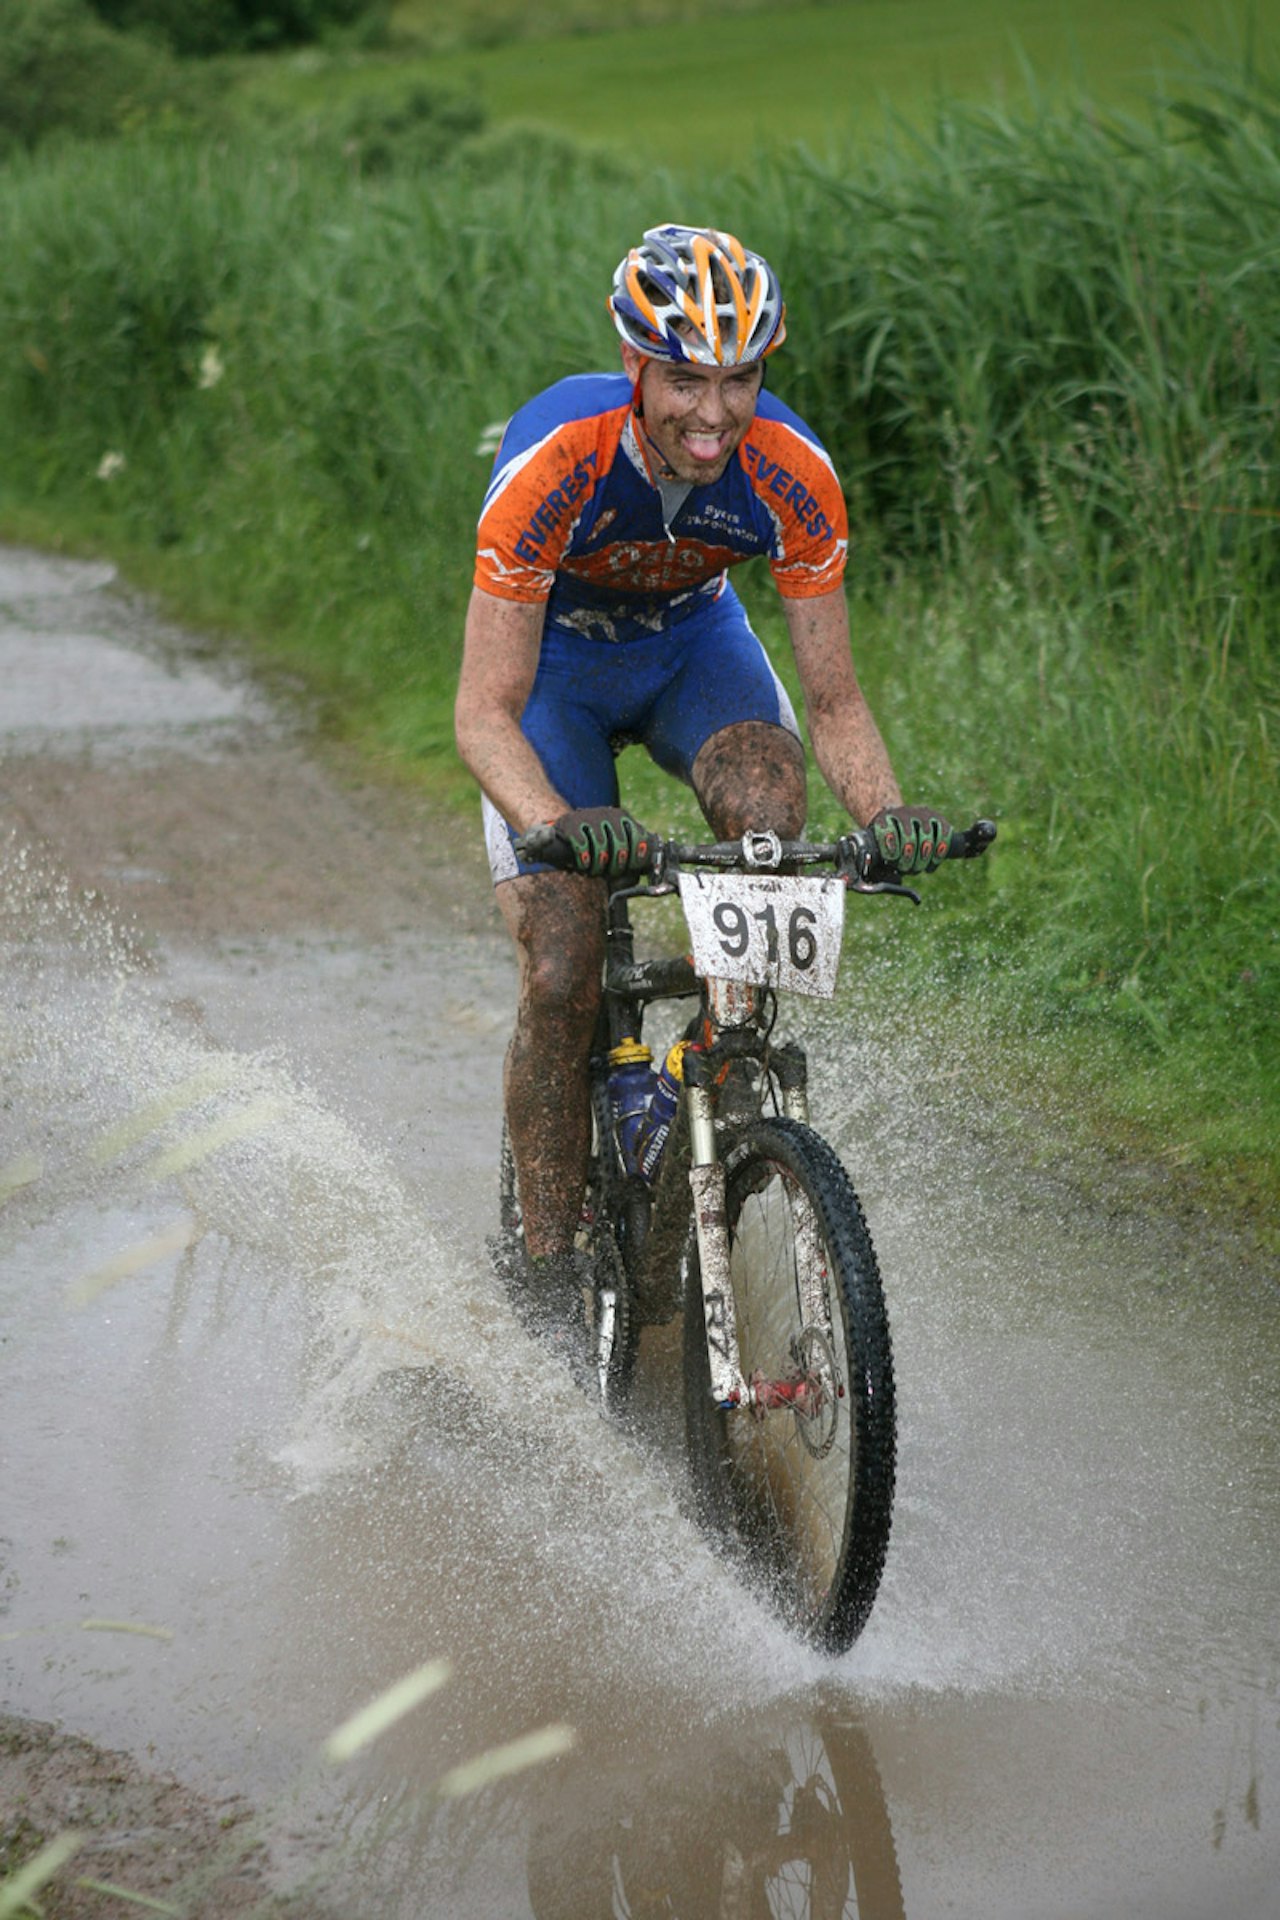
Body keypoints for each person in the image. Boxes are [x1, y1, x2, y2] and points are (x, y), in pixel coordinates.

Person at [455, 223, 952, 1337]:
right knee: (562, 965)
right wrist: (553, 822)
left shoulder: (791, 470)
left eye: (740, 379)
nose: (714, 414)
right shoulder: (555, 461)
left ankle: (713, 1102)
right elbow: (483, 712)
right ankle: (546, 1260)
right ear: (634, 365)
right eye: (685, 379)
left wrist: (887, 815)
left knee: (769, 830)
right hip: (554, 676)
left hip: (692, 651)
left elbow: (833, 702)